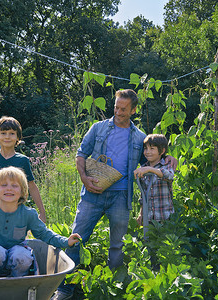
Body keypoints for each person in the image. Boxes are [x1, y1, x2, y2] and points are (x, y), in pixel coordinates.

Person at [51, 89, 177, 300]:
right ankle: (64, 289)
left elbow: (149, 158)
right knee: (76, 239)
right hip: (92, 193)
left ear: (133, 110)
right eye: (116, 107)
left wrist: (168, 156)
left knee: (117, 246)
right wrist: (84, 177)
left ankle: (112, 289)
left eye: (123, 109)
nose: (118, 112)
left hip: (120, 197)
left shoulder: (139, 137)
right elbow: (81, 153)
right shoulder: (99, 128)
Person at [134, 134, 174, 227]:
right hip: (149, 217)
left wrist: (150, 169)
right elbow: (143, 194)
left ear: (162, 151)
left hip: (164, 216)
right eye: (145, 149)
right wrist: (141, 214)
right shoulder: (143, 168)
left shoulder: (166, 165)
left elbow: (169, 176)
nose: (148, 152)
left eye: (152, 149)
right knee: (149, 240)